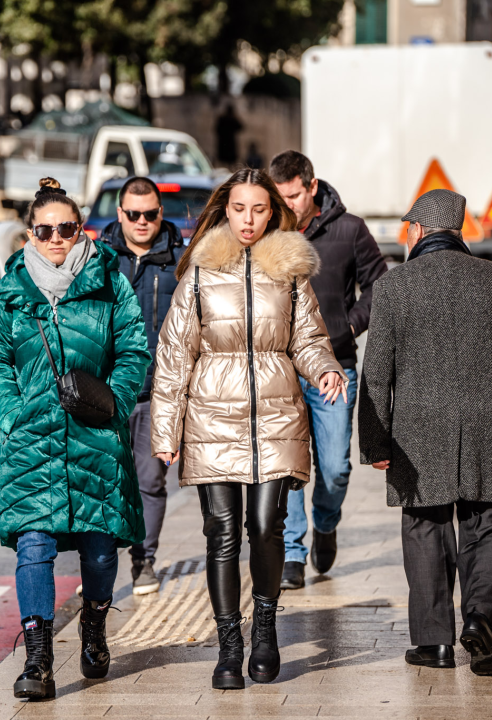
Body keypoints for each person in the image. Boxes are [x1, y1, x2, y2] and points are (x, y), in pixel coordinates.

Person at [151, 168, 346, 690]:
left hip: (276, 417)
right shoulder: (198, 272)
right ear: (225, 209)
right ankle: (229, 644)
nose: (249, 220)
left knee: (264, 527)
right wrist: (166, 432)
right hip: (212, 417)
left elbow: (307, 337)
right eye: (240, 209)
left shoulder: (289, 269)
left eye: (259, 209)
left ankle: (264, 626)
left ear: (272, 212)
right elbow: (174, 355)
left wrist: (325, 367)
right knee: (220, 535)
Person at [359, 189, 492, 677]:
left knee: (425, 528)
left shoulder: (394, 287)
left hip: (417, 432)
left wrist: (375, 443)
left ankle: (433, 643)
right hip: (490, 425)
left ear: (418, 232)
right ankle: (480, 619)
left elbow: (376, 373)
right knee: (487, 525)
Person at [0, 177, 151, 700]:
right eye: (46, 230)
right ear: (31, 234)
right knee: (34, 548)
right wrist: (11, 414)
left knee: (100, 553)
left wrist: (115, 404)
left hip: (96, 440)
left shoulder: (109, 282)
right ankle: (38, 660)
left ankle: (94, 626)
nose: (56, 238)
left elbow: (134, 353)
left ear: (81, 231)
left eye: (66, 229)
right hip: (31, 442)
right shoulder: (10, 291)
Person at [267, 150, 388, 588]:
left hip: (335, 366)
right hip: (281, 368)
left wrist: (350, 325)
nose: (287, 205)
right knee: (290, 464)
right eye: (279, 197)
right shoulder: (268, 230)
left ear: (312, 187)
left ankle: (325, 521)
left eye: (294, 195)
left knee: (334, 466)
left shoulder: (350, 229)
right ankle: (293, 553)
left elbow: (380, 282)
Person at [100, 176, 186, 596]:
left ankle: (144, 561)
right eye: (133, 214)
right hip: (105, 394)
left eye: (150, 214)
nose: (141, 222)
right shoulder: (97, 259)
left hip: (157, 393)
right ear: (120, 214)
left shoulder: (180, 260)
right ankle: (99, 565)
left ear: (160, 213)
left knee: (150, 482)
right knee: (103, 481)